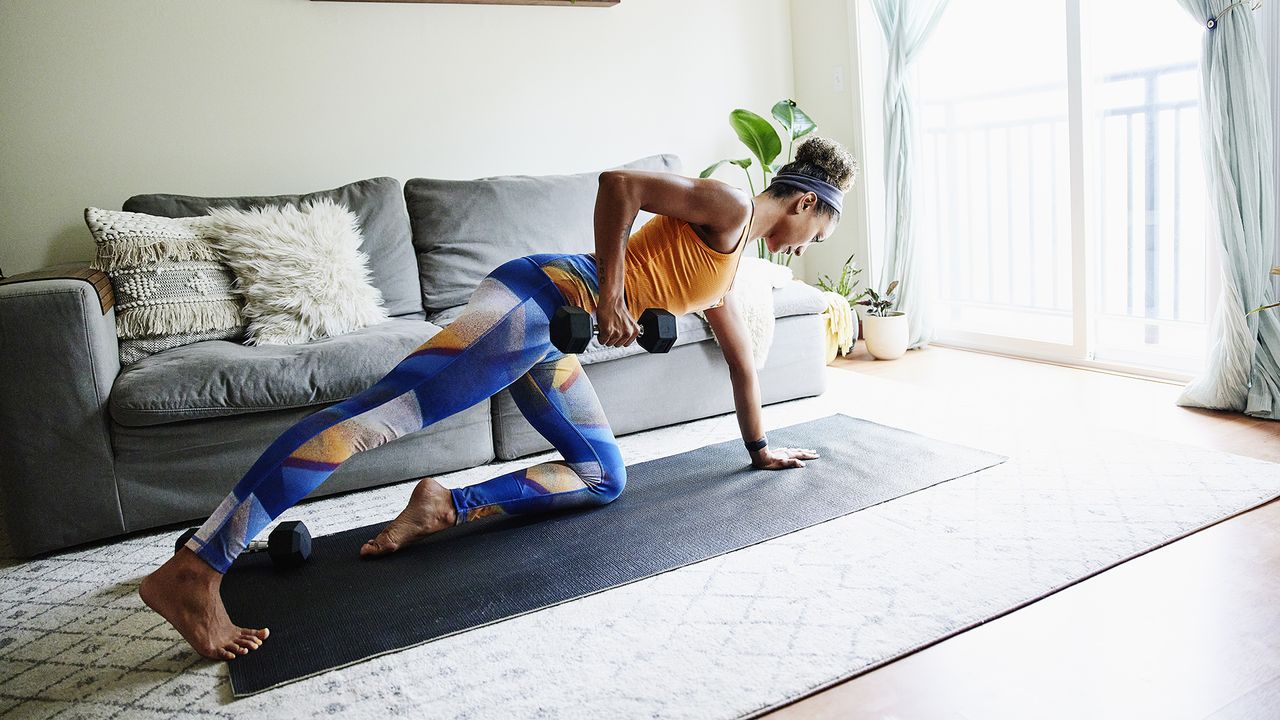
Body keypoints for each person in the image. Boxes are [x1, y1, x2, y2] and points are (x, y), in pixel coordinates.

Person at [139, 135, 859, 660]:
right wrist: (612, 293)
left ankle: (441, 505)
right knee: (368, 422)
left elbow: (742, 364)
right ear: (802, 202)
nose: (806, 247)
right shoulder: (728, 203)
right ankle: (198, 567)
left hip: (553, 340)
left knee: (605, 475)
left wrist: (760, 448)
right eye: (817, 230)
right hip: (538, 297)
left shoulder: (730, 270)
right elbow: (618, 184)